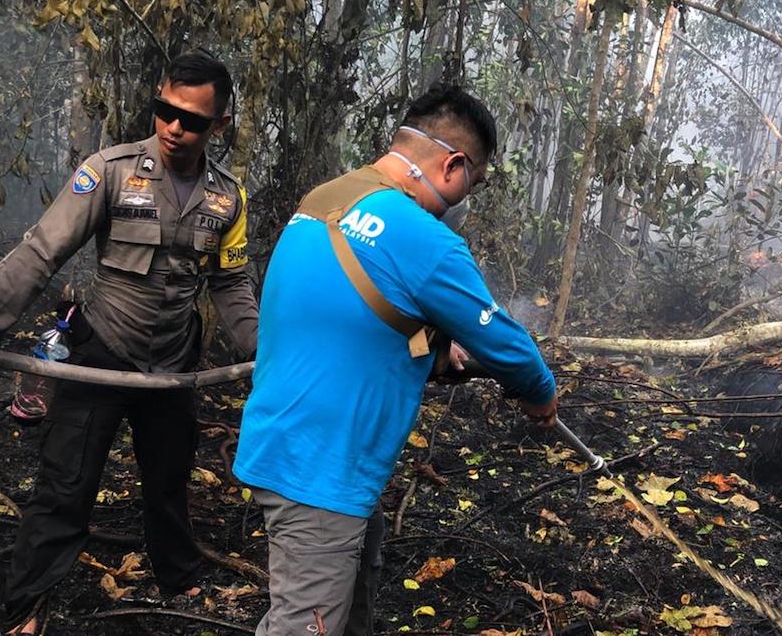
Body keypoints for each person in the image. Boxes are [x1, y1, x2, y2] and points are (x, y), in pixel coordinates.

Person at [0, 49, 258, 635]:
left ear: (219, 125)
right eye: (164, 111)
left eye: (192, 120)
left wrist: (261, 351)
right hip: (102, 353)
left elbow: (230, 282)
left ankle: (178, 573)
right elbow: (42, 251)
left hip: (173, 366)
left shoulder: (228, 198)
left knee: (168, 480)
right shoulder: (111, 170)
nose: (173, 128)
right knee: (65, 487)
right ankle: (29, 603)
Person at [233, 85, 558, 636]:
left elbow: (346, 316)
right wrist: (541, 397)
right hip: (321, 471)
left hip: (292, 442)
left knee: (351, 604)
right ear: (452, 164)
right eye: (471, 184)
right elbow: (509, 345)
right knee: (304, 625)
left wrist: (432, 353)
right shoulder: (422, 235)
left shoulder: (324, 199)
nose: (464, 199)